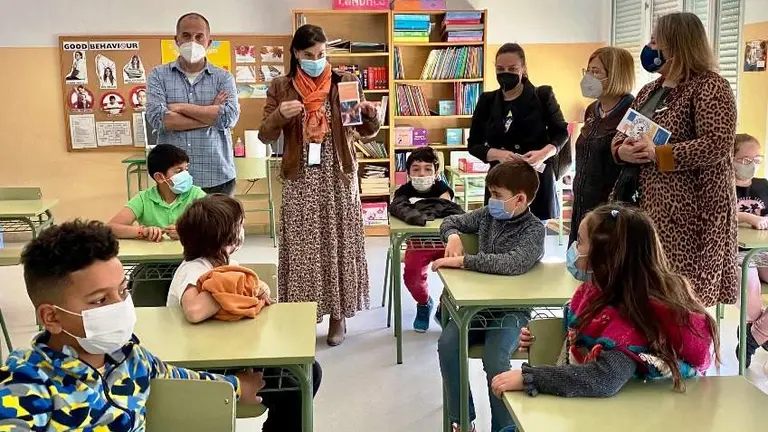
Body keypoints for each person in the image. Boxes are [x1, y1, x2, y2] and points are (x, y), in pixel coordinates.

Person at [0, 220, 264, 430]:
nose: (120, 305)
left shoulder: (130, 356)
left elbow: (180, 378)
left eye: (123, 290)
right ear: (52, 318)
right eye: (99, 300)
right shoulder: (26, 384)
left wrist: (236, 385)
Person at [491, 204, 719, 399]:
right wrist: (545, 337)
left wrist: (532, 377)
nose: (573, 248)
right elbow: (583, 335)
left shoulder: (630, 316)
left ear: (605, 257)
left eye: (580, 241)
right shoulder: (603, 293)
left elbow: (604, 379)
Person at [259, 24, 380, 346]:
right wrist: (280, 115)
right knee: (304, 249)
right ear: (296, 54)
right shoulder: (281, 87)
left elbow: (362, 131)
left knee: (339, 244)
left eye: (321, 54)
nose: (316, 60)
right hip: (300, 179)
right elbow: (265, 135)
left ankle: (338, 317)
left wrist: (370, 116)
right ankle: (302, 315)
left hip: (338, 176)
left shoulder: (344, 82)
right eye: (309, 55)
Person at [611, 12, 737, 307]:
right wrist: (621, 151)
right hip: (645, 206)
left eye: (656, 41)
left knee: (680, 298)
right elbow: (622, 134)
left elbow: (717, 143)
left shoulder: (710, 86)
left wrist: (659, 154)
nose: (650, 47)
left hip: (691, 214)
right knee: (646, 291)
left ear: (678, 45)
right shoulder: (650, 90)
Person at [167, 194, 323, 432]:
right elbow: (194, 311)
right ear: (223, 238)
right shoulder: (193, 269)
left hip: (228, 352)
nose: (243, 229)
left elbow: (250, 290)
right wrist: (232, 292)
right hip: (202, 365)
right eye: (239, 225)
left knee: (310, 371)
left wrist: (253, 291)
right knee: (297, 384)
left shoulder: (227, 265)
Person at [432, 160, 546, 432]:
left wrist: (464, 261)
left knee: (495, 358)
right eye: (490, 193)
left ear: (520, 199)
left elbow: (514, 263)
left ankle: (504, 428)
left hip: (511, 311)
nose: (491, 200)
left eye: (497, 195)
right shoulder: (487, 216)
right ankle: (462, 419)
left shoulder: (534, 229)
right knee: (448, 345)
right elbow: (450, 220)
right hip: (476, 307)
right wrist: (453, 237)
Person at [467, 43, 569, 221]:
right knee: (496, 235)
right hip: (500, 185)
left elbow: (561, 133)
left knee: (533, 235)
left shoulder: (542, 95)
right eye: (500, 69)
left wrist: (543, 154)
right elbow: (474, 145)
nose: (505, 73)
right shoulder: (487, 100)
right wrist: (498, 154)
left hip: (535, 182)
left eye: (512, 69)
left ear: (523, 68)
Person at [146, 12, 240, 196]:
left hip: (216, 176)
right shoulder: (158, 75)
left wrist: (181, 108)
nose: (193, 42)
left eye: (199, 37)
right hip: (172, 179)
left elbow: (229, 118)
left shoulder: (223, 77)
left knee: (219, 219)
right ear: (177, 40)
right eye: (186, 35)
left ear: (208, 42)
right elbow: (159, 119)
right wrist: (210, 114)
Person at [389, 146, 462, 332]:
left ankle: (444, 307)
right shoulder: (403, 191)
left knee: (459, 276)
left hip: (444, 241)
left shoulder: (442, 188)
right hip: (417, 243)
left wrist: (416, 209)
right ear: (408, 173)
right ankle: (424, 304)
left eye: (428, 169)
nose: (422, 174)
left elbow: (447, 208)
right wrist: (429, 209)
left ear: (436, 173)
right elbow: (398, 207)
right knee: (411, 278)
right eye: (416, 169)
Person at [569, 47, 635, 246]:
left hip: (611, 210)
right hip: (582, 202)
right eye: (588, 71)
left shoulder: (633, 111)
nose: (589, 77)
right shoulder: (592, 110)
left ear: (615, 75)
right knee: (578, 257)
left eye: (596, 72)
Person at [108, 144, 205, 242]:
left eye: (186, 169)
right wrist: (143, 231)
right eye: (179, 171)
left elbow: (213, 227)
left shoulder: (196, 194)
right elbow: (110, 228)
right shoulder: (143, 198)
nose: (186, 175)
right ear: (159, 177)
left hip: (189, 251)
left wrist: (187, 232)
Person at [733, 133, 768, 367]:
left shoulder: (763, 185)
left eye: (757, 160)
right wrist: (748, 217)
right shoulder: (720, 185)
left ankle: (753, 336)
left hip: (762, 250)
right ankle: (759, 331)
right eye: (746, 160)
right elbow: (717, 213)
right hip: (737, 253)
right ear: (731, 158)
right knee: (750, 284)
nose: (752, 165)